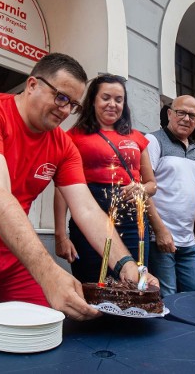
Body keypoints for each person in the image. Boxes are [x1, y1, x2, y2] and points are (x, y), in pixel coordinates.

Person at [0, 53, 158, 350]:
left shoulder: (62, 144)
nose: (65, 110)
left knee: (54, 323)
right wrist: (48, 272)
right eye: (60, 97)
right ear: (32, 85)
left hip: (9, 249)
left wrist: (126, 264)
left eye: (73, 104)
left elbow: (85, 208)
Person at [53, 73, 157, 281]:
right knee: (93, 284)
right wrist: (60, 235)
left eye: (119, 100)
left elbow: (152, 184)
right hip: (89, 219)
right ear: (93, 101)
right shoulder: (73, 136)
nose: (113, 104)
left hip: (132, 221)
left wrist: (141, 188)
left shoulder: (137, 137)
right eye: (106, 98)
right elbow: (62, 189)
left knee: (134, 284)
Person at [146, 95, 195, 297]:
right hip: (161, 238)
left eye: (192, 115)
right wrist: (159, 230)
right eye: (181, 112)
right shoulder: (153, 141)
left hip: (188, 240)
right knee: (167, 297)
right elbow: (144, 189)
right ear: (170, 113)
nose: (186, 118)